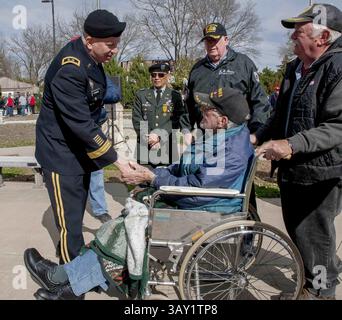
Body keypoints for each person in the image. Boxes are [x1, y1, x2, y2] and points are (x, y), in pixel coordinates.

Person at [24, 86, 254, 300]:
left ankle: (65, 280)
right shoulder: (221, 137)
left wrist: (153, 180)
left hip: (205, 210)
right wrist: (151, 173)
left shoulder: (229, 151)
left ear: (223, 120)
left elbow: (197, 188)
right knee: (125, 223)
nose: (202, 110)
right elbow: (185, 169)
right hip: (198, 203)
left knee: (126, 229)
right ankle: (70, 282)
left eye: (209, 109)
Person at [256, 3, 342, 300]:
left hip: (322, 171)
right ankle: (310, 283)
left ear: (323, 36)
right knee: (299, 233)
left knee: (316, 239)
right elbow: (281, 115)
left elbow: (337, 126)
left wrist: (291, 144)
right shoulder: (295, 67)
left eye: (299, 32)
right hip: (294, 170)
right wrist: (257, 136)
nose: (292, 39)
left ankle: (320, 292)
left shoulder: (338, 67)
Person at [34, 9, 128, 264]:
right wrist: (118, 160)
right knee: (69, 226)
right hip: (60, 155)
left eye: (116, 45)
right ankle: (71, 281)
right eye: (110, 45)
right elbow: (82, 125)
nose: (114, 51)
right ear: (89, 41)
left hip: (78, 152)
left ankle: (76, 266)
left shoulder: (93, 59)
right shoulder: (70, 69)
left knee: (75, 216)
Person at [185, 22, 271, 145]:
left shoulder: (244, 64)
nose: (211, 45)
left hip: (237, 139)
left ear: (226, 40)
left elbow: (260, 101)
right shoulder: (197, 70)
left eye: (215, 40)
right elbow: (188, 106)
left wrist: (256, 133)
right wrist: (186, 131)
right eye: (208, 41)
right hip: (205, 140)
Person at [132, 63, 192, 167]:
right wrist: (150, 138)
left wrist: (159, 136)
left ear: (167, 76)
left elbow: (177, 119)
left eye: (160, 75)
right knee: (143, 180)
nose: (156, 78)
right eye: (153, 75)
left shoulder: (175, 96)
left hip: (167, 147)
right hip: (145, 147)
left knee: (166, 180)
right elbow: (137, 119)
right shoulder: (141, 95)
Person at [89, 75, 122, 224]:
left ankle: (100, 210)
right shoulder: (69, 72)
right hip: (73, 129)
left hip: (94, 127)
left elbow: (115, 94)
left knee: (96, 168)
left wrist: (92, 94)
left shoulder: (98, 75)